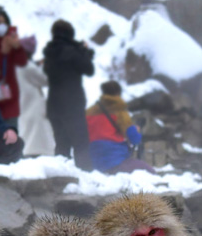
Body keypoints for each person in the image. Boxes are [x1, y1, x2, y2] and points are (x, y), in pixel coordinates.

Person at [43, 19, 94, 171]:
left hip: (54, 105)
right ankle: (86, 177)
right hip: (72, 104)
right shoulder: (73, 51)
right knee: (81, 143)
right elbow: (88, 69)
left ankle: (60, 178)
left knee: (62, 144)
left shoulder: (49, 52)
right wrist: (84, 51)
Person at [86, 81, 155, 174]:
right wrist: (137, 130)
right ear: (118, 93)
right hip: (114, 161)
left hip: (92, 162)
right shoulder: (119, 110)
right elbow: (134, 139)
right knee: (149, 171)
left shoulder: (89, 112)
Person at [16, 36, 55, 156]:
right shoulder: (27, 66)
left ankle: (26, 152)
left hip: (23, 103)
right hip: (34, 104)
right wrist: (44, 65)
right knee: (38, 132)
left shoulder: (17, 64)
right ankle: (38, 154)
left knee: (26, 130)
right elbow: (45, 80)